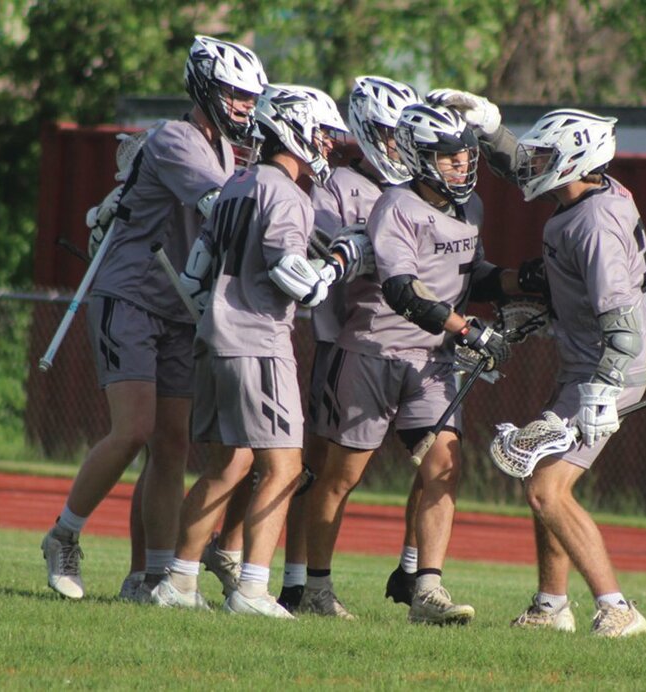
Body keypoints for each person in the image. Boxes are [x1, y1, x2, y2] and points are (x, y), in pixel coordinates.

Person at [40, 35, 267, 601]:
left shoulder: (226, 149)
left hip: (179, 310)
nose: (243, 106)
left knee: (169, 444)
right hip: (132, 296)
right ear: (204, 88)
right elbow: (226, 208)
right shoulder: (177, 140)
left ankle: (151, 575)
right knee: (134, 428)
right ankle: (63, 535)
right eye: (234, 94)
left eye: (250, 97)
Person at [433, 92, 646, 638]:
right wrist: (491, 129)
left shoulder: (594, 225)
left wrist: (602, 393)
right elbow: (530, 168)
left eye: (545, 157)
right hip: (586, 366)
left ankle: (618, 608)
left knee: (545, 490)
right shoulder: (590, 193)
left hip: (603, 373)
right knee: (538, 474)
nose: (533, 166)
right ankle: (550, 606)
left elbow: (622, 328)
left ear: (573, 161)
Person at [300, 102, 529, 625]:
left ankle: (427, 590)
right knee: (341, 476)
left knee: (444, 468)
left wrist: (527, 282)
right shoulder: (396, 206)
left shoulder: (470, 209)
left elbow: (473, 275)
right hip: (374, 352)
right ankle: (316, 587)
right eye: (448, 157)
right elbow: (404, 291)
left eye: (466, 155)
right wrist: (468, 328)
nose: (461, 166)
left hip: (433, 362)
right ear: (418, 156)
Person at [149, 83, 353, 617]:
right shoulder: (285, 193)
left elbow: (196, 270)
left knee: (226, 467)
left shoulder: (238, 181)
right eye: (322, 134)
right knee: (285, 468)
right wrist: (334, 265)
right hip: (258, 339)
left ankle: (178, 582)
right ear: (293, 128)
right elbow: (292, 276)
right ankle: (252, 590)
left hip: (214, 336)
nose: (327, 145)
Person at [275, 75, 422, 613]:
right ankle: (296, 582)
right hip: (344, 338)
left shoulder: (415, 188)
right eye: (388, 132)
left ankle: (414, 572)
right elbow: (327, 251)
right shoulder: (337, 184)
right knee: (317, 468)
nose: (396, 144)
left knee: (436, 460)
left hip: (406, 345)